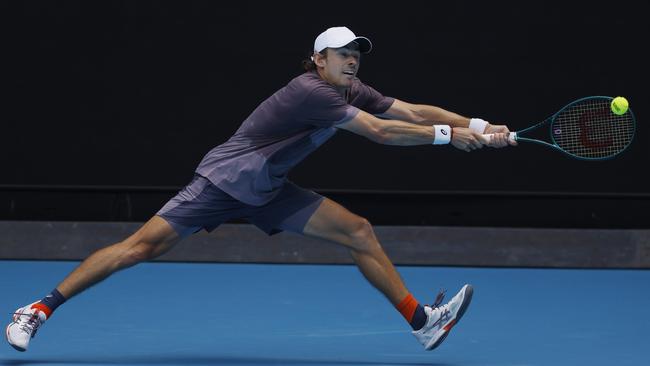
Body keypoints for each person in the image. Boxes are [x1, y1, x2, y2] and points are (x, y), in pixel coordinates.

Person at [6, 26, 515, 353]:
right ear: (318, 60)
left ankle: (420, 319)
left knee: (358, 231)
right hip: (226, 182)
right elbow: (382, 133)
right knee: (139, 248)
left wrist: (481, 123)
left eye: (357, 52)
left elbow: (408, 111)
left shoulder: (350, 88)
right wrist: (451, 138)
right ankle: (38, 309)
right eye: (342, 54)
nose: (353, 60)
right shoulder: (310, 91)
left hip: (270, 188)